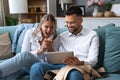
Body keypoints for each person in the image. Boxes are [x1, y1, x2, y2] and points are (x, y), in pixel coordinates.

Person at [30, 6, 99, 80]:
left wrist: (80, 62)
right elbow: (55, 55)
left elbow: (93, 60)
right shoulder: (62, 36)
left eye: (72, 22)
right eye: (67, 22)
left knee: (74, 74)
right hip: (61, 65)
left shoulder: (92, 35)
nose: (69, 25)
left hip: (79, 67)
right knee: (36, 67)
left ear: (81, 20)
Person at [0, 14, 57, 80]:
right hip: (27, 65)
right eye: (46, 27)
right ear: (41, 25)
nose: (49, 30)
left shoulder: (56, 38)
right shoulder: (31, 33)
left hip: (42, 66)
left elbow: (54, 61)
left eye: (51, 27)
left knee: (26, 56)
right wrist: (40, 50)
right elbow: (23, 54)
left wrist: (49, 48)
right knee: (11, 74)